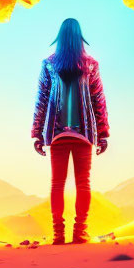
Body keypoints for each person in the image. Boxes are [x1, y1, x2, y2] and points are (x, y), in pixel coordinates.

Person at [31, 18, 109, 245]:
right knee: (83, 183)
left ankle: (58, 234)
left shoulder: (49, 64)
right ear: (79, 37)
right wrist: (102, 133)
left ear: (61, 37)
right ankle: (80, 232)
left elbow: (41, 100)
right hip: (84, 134)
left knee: (57, 183)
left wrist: (37, 133)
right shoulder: (91, 64)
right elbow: (98, 100)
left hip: (56, 134)